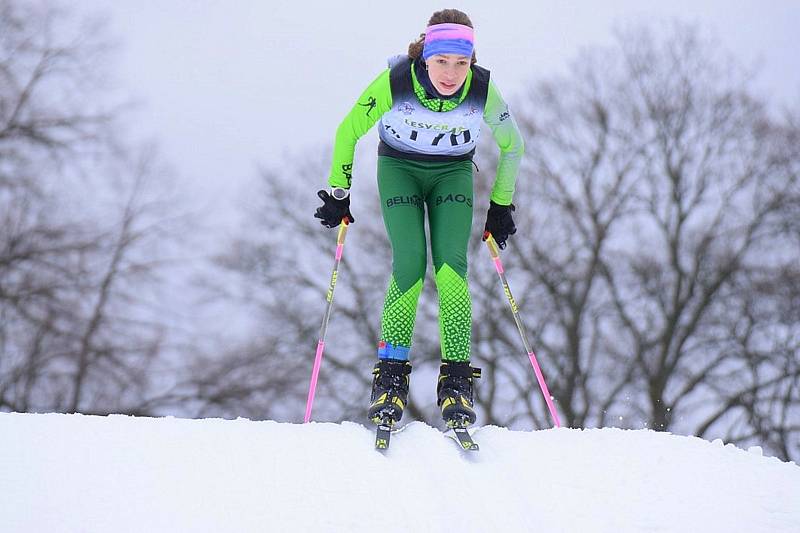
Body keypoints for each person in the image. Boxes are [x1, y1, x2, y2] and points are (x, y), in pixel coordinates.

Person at [314, 9, 523, 429]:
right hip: (400, 172)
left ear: (471, 61)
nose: (451, 73)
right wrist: (340, 192)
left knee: (450, 272)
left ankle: (456, 382)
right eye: (442, 61)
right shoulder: (396, 81)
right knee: (410, 264)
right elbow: (348, 130)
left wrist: (500, 206)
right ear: (425, 55)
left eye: (461, 63)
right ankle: (390, 377)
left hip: (452, 174)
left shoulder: (481, 89)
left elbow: (513, 145)